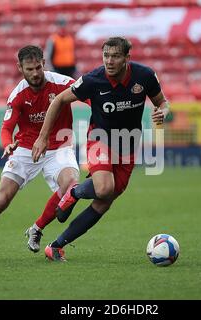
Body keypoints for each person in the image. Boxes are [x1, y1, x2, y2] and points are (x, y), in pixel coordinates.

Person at [32, 36, 169, 262]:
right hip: (100, 139)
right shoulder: (93, 80)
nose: (109, 61)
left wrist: (163, 111)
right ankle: (74, 192)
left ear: (127, 57)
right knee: (104, 188)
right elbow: (58, 101)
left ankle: (56, 246)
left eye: (115, 56)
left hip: (129, 144)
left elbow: (162, 102)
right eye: (106, 55)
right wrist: (43, 137)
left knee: (104, 203)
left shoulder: (144, 76)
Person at [0, 45, 79, 260]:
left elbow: (87, 95)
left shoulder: (61, 83)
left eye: (38, 68)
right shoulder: (18, 94)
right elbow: (6, 128)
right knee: (1, 199)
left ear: (44, 63)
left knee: (71, 184)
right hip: (25, 149)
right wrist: (7, 144)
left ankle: (37, 228)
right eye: (29, 69)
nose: (34, 73)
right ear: (20, 68)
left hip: (59, 146)